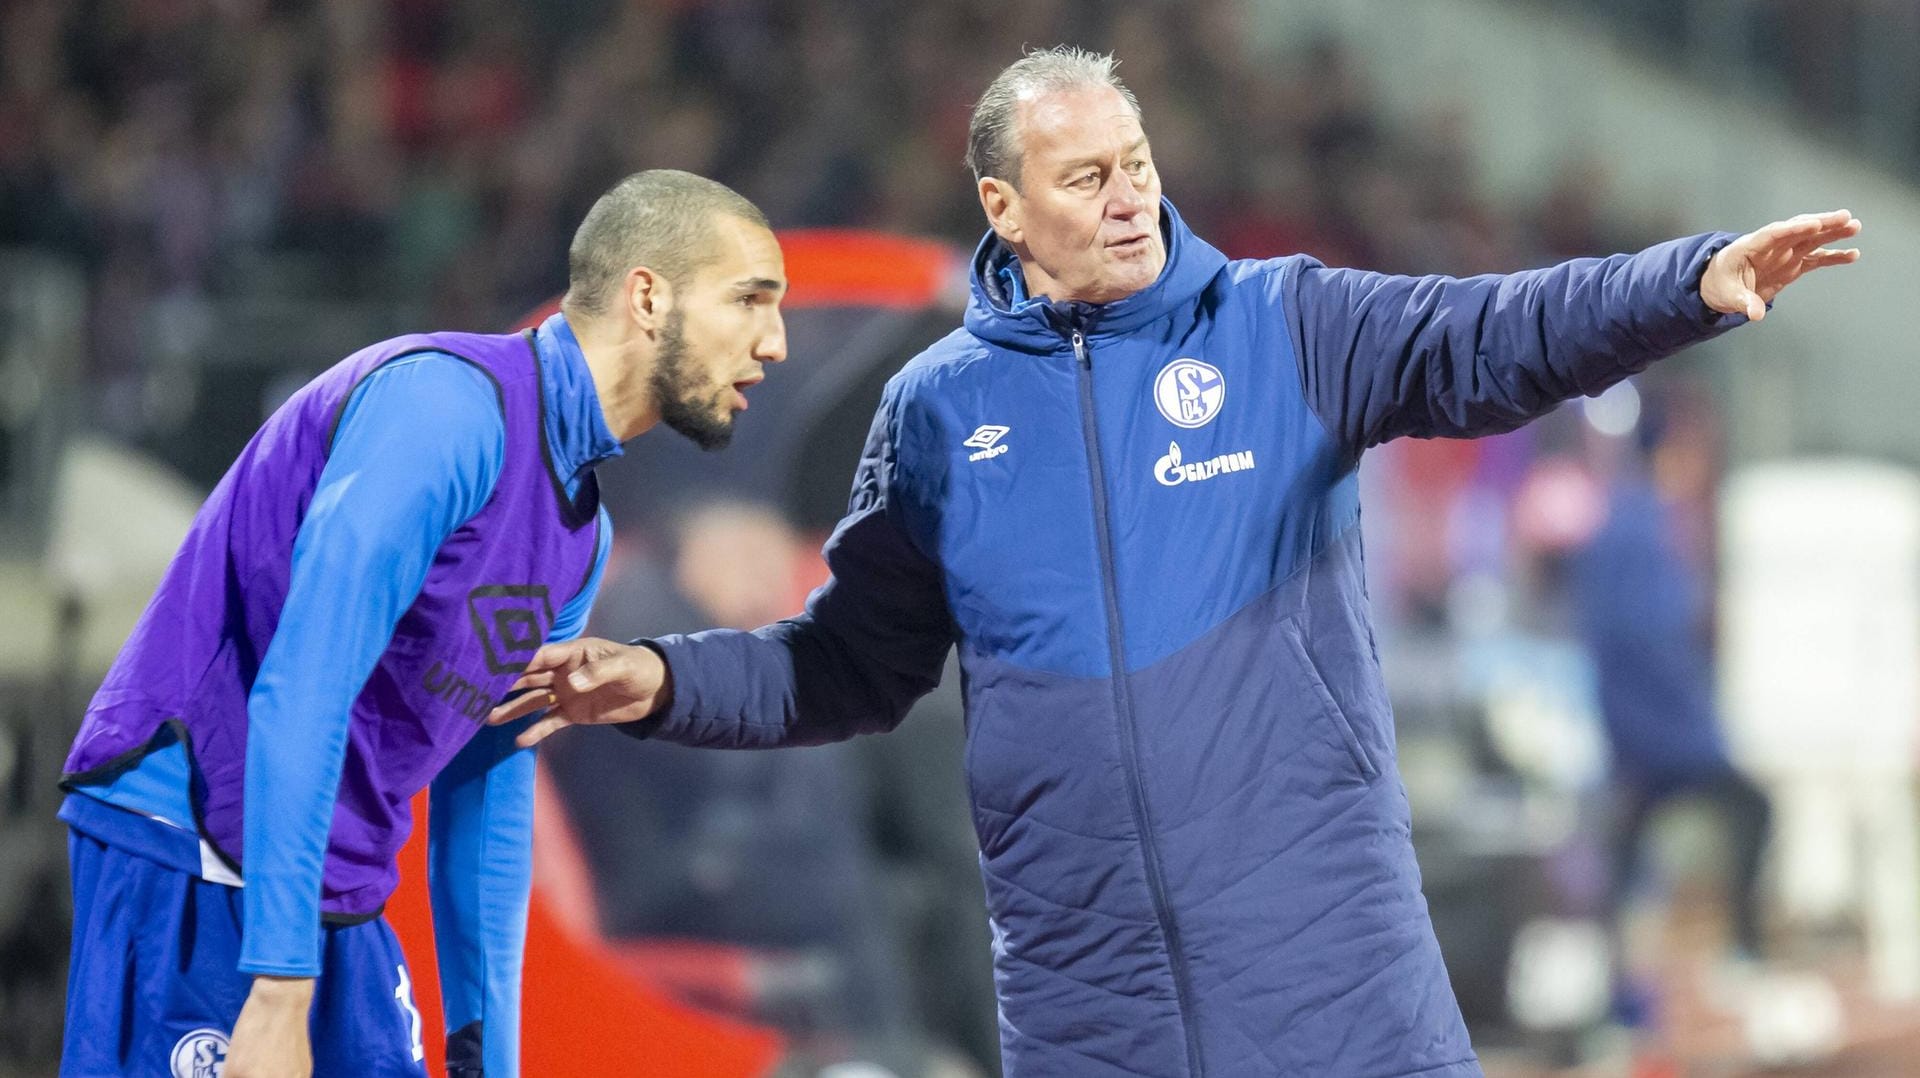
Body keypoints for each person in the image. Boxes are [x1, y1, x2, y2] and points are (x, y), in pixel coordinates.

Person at [495, 48, 1861, 1078]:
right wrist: (664, 679)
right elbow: (849, 664)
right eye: (1087, 177)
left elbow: (1492, 333)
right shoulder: (937, 412)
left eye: (1138, 160)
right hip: (1090, 1014)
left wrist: (1681, 284)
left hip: (1333, 986)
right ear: (1004, 207)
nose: (1132, 195)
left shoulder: (1288, 325)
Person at [58, 169, 787, 1077]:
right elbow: (303, 688)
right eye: (750, 300)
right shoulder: (443, 410)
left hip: (331, 890)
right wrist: (280, 992)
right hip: (193, 839)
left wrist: (491, 1053)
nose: (776, 341)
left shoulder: (580, 532)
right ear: (649, 294)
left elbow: (488, 779)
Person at [1572, 392, 1774, 976]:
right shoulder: (1643, 528)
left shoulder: (1627, 519)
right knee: (1750, 811)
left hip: (1633, 731)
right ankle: (1739, 955)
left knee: (1627, 857)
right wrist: (1695, 732)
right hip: (1657, 734)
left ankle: (1615, 982)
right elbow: (1652, 641)